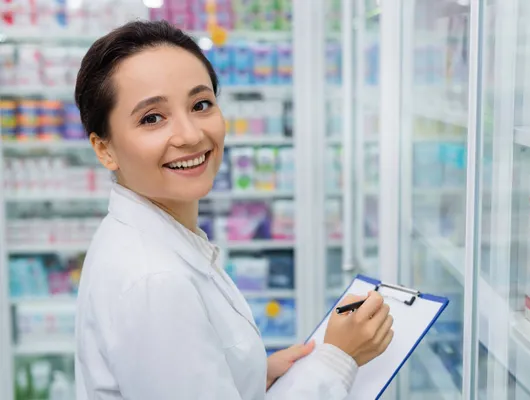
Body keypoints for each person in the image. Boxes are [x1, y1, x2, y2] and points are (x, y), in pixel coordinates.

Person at [74, 20, 394, 400]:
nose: (191, 135)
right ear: (104, 148)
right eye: (152, 118)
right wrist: (338, 358)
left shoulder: (149, 237)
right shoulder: (157, 281)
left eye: (201, 104)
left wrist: (249, 375)